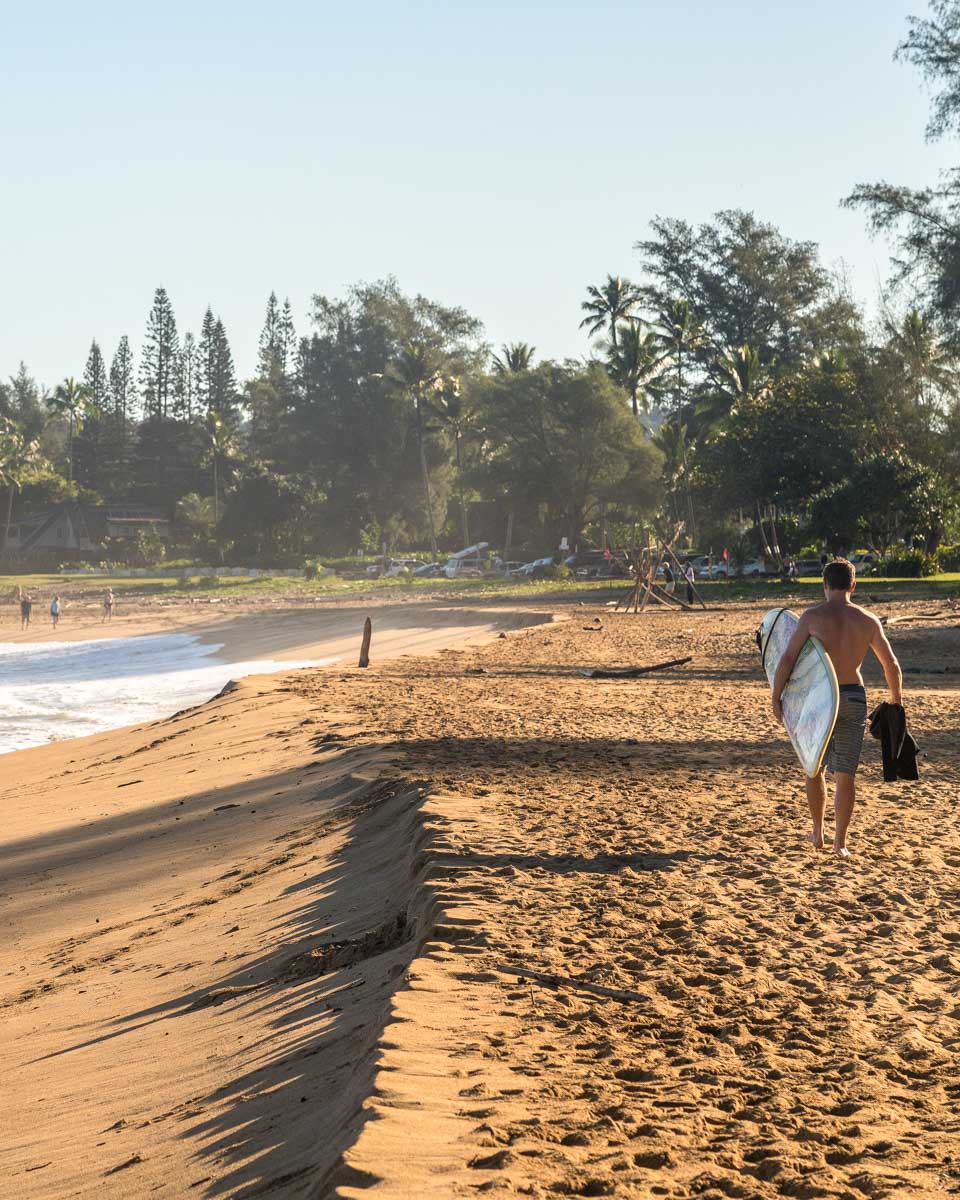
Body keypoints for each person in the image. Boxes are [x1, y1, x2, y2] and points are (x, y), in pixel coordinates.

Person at [771, 558, 903, 858]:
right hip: (854, 697)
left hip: (820, 699)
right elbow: (891, 665)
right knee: (845, 773)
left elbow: (788, 659)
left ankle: (817, 832)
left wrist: (776, 697)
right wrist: (896, 702)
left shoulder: (812, 618)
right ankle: (839, 843)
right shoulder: (868, 620)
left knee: (813, 765)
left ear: (825, 585)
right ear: (853, 585)